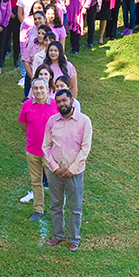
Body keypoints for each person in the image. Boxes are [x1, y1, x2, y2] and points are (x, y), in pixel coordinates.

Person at [43, 89, 93, 251]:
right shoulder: (52, 121)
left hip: (75, 173)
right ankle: (58, 235)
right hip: (55, 172)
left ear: (71, 100)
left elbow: (85, 148)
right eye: (59, 102)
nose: (62, 104)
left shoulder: (84, 121)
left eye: (64, 100)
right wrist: (55, 168)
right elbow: (46, 146)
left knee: (75, 207)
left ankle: (74, 238)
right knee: (55, 205)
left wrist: (72, 169)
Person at [17, 78, 58, 221]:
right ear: (32, 90)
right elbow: (23, 124)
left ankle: (56, 210)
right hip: (32, 151)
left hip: (50, 153)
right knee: (36, 182)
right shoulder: (27, 105)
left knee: (54, 183)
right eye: (36, 88)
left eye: (42, 88)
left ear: (47, 89)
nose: (39, 91)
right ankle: (38, 209)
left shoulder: (55, 105)